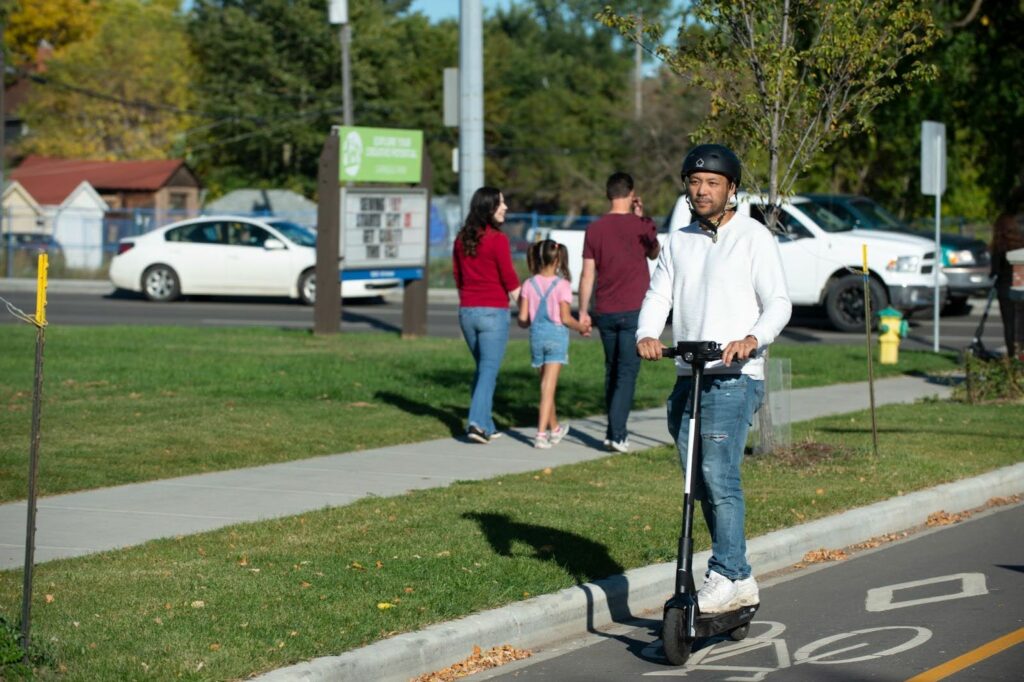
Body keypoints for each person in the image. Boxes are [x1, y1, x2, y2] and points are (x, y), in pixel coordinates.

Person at [636, 144, 792, 614]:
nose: (702, 190)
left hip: (735, 376)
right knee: (697, 482)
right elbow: (658, 293)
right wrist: (647, 333)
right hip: (690, 374)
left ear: (731, 190)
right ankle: (738, 577)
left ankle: (725, 572)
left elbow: (779, 303)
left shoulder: (753, 238)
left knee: (718, 475)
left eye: (712, 183)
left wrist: (752, 338)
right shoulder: (679, 239)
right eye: (695, 181)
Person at [578, 172, 661, 453]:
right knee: (626, 372)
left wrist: (582, 311)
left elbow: (587, 274)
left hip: (605, 309)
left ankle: (612, 430)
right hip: (634, 308)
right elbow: (654, 253)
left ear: (608, 193)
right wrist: (643, 216)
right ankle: (617, 434)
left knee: (612, 370)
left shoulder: (594, 229)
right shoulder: (642, 225)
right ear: (631, 193)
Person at [453, 187, 521, 444]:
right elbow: (510, 280)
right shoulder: (497, 240)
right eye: (500, 204)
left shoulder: (461, 239)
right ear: (488, 208)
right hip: (493, 313)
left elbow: (458, 277)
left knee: (483, 370)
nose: (505, 207)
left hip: (467, 313)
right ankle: (477, 424)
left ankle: (488, 425)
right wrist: (531, 309)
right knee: (488, 370)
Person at [517, 240, 590, 449]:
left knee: (544, 386)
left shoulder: (528, 284)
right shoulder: (562, 285)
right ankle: (541, 434)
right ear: (557, 259)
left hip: (536, 337)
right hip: (556, 337)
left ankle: (555, 428)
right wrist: (582, 328)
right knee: (548, 389)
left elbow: (522, 320)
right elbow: (566, 318)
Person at [990, 186, 1024, 359]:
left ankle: (1015, 362)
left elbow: (996, 251)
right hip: (1018, 277)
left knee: (1010, 326)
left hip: (1006, 280)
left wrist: (994, 272)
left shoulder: (1004, 222)